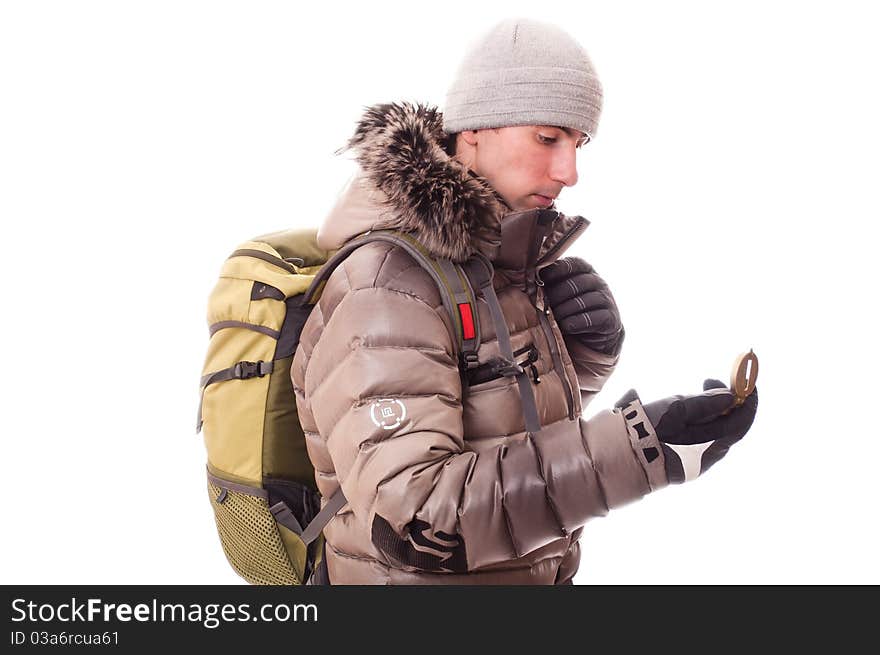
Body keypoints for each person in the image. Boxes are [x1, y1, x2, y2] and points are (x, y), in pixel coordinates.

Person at [291, 17, 758, 585]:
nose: (570, 171)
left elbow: (495, 429)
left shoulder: (496, 267)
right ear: (475, 131)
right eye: (547, 138)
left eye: (578, 142)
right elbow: (420, 521)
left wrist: (586, 361)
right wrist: (641, 449)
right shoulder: (386, 286)